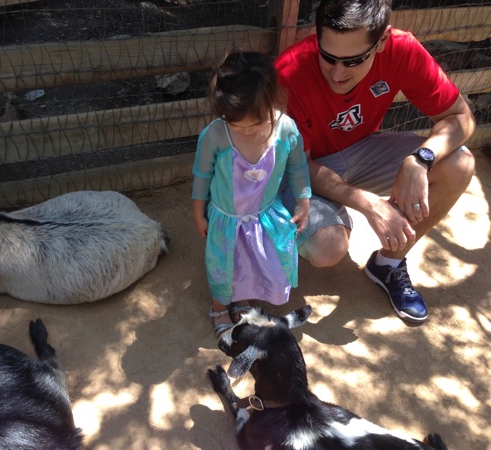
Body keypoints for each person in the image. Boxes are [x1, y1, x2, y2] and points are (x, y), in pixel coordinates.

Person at [274, 0, 476, 324]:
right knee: (327, 247)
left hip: (363, 148)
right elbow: (298, 165)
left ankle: (388, 264)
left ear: (381, 42)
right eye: (329, 57)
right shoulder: (291, 70)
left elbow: (461, 118)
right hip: (303, 167)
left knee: (460, 164)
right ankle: (268, 234)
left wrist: (420, 160)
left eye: (353, 60)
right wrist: (368, 204)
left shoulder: (402, 49)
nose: (338, 74)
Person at [191, 51, 311, 338]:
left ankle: (243, 299)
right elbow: (202, 175)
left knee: (254, 261)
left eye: (254, 124)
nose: (245, 130)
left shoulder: (286, 129)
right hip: (225, 220)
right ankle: (220, 305)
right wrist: (198, 212)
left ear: (272, 102)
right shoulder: (215, 135)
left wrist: (303, 201)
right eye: (235, 124)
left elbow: (297, 165)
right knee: (223, 265)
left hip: (263, 216)